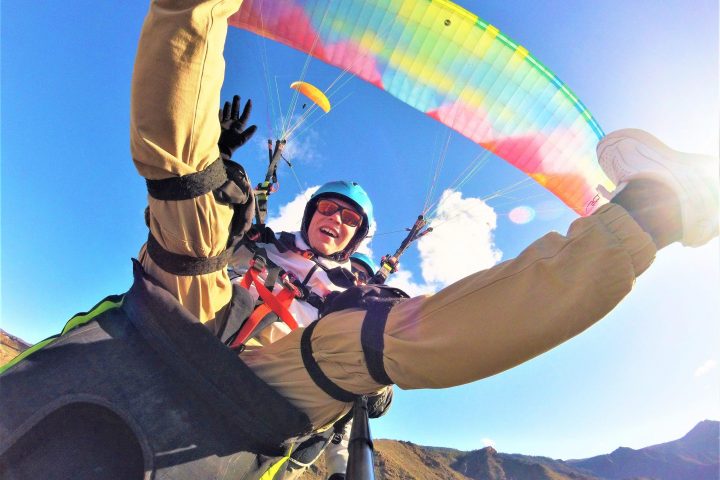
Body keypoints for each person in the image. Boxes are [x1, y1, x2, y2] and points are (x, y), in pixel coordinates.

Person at [1, 0, 717, 479]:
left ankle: (649, 213)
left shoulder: (367, 293)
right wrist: (223, 183)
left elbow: (383, 355)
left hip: (284, 380)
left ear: (360, 236)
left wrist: (373, 395)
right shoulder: (259, 236)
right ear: (310, 213)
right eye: (328, 209)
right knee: (185, 188)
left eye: (348, 219)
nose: (334, 220)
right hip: (190, 314)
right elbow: (206, 239)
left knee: (365, 342)